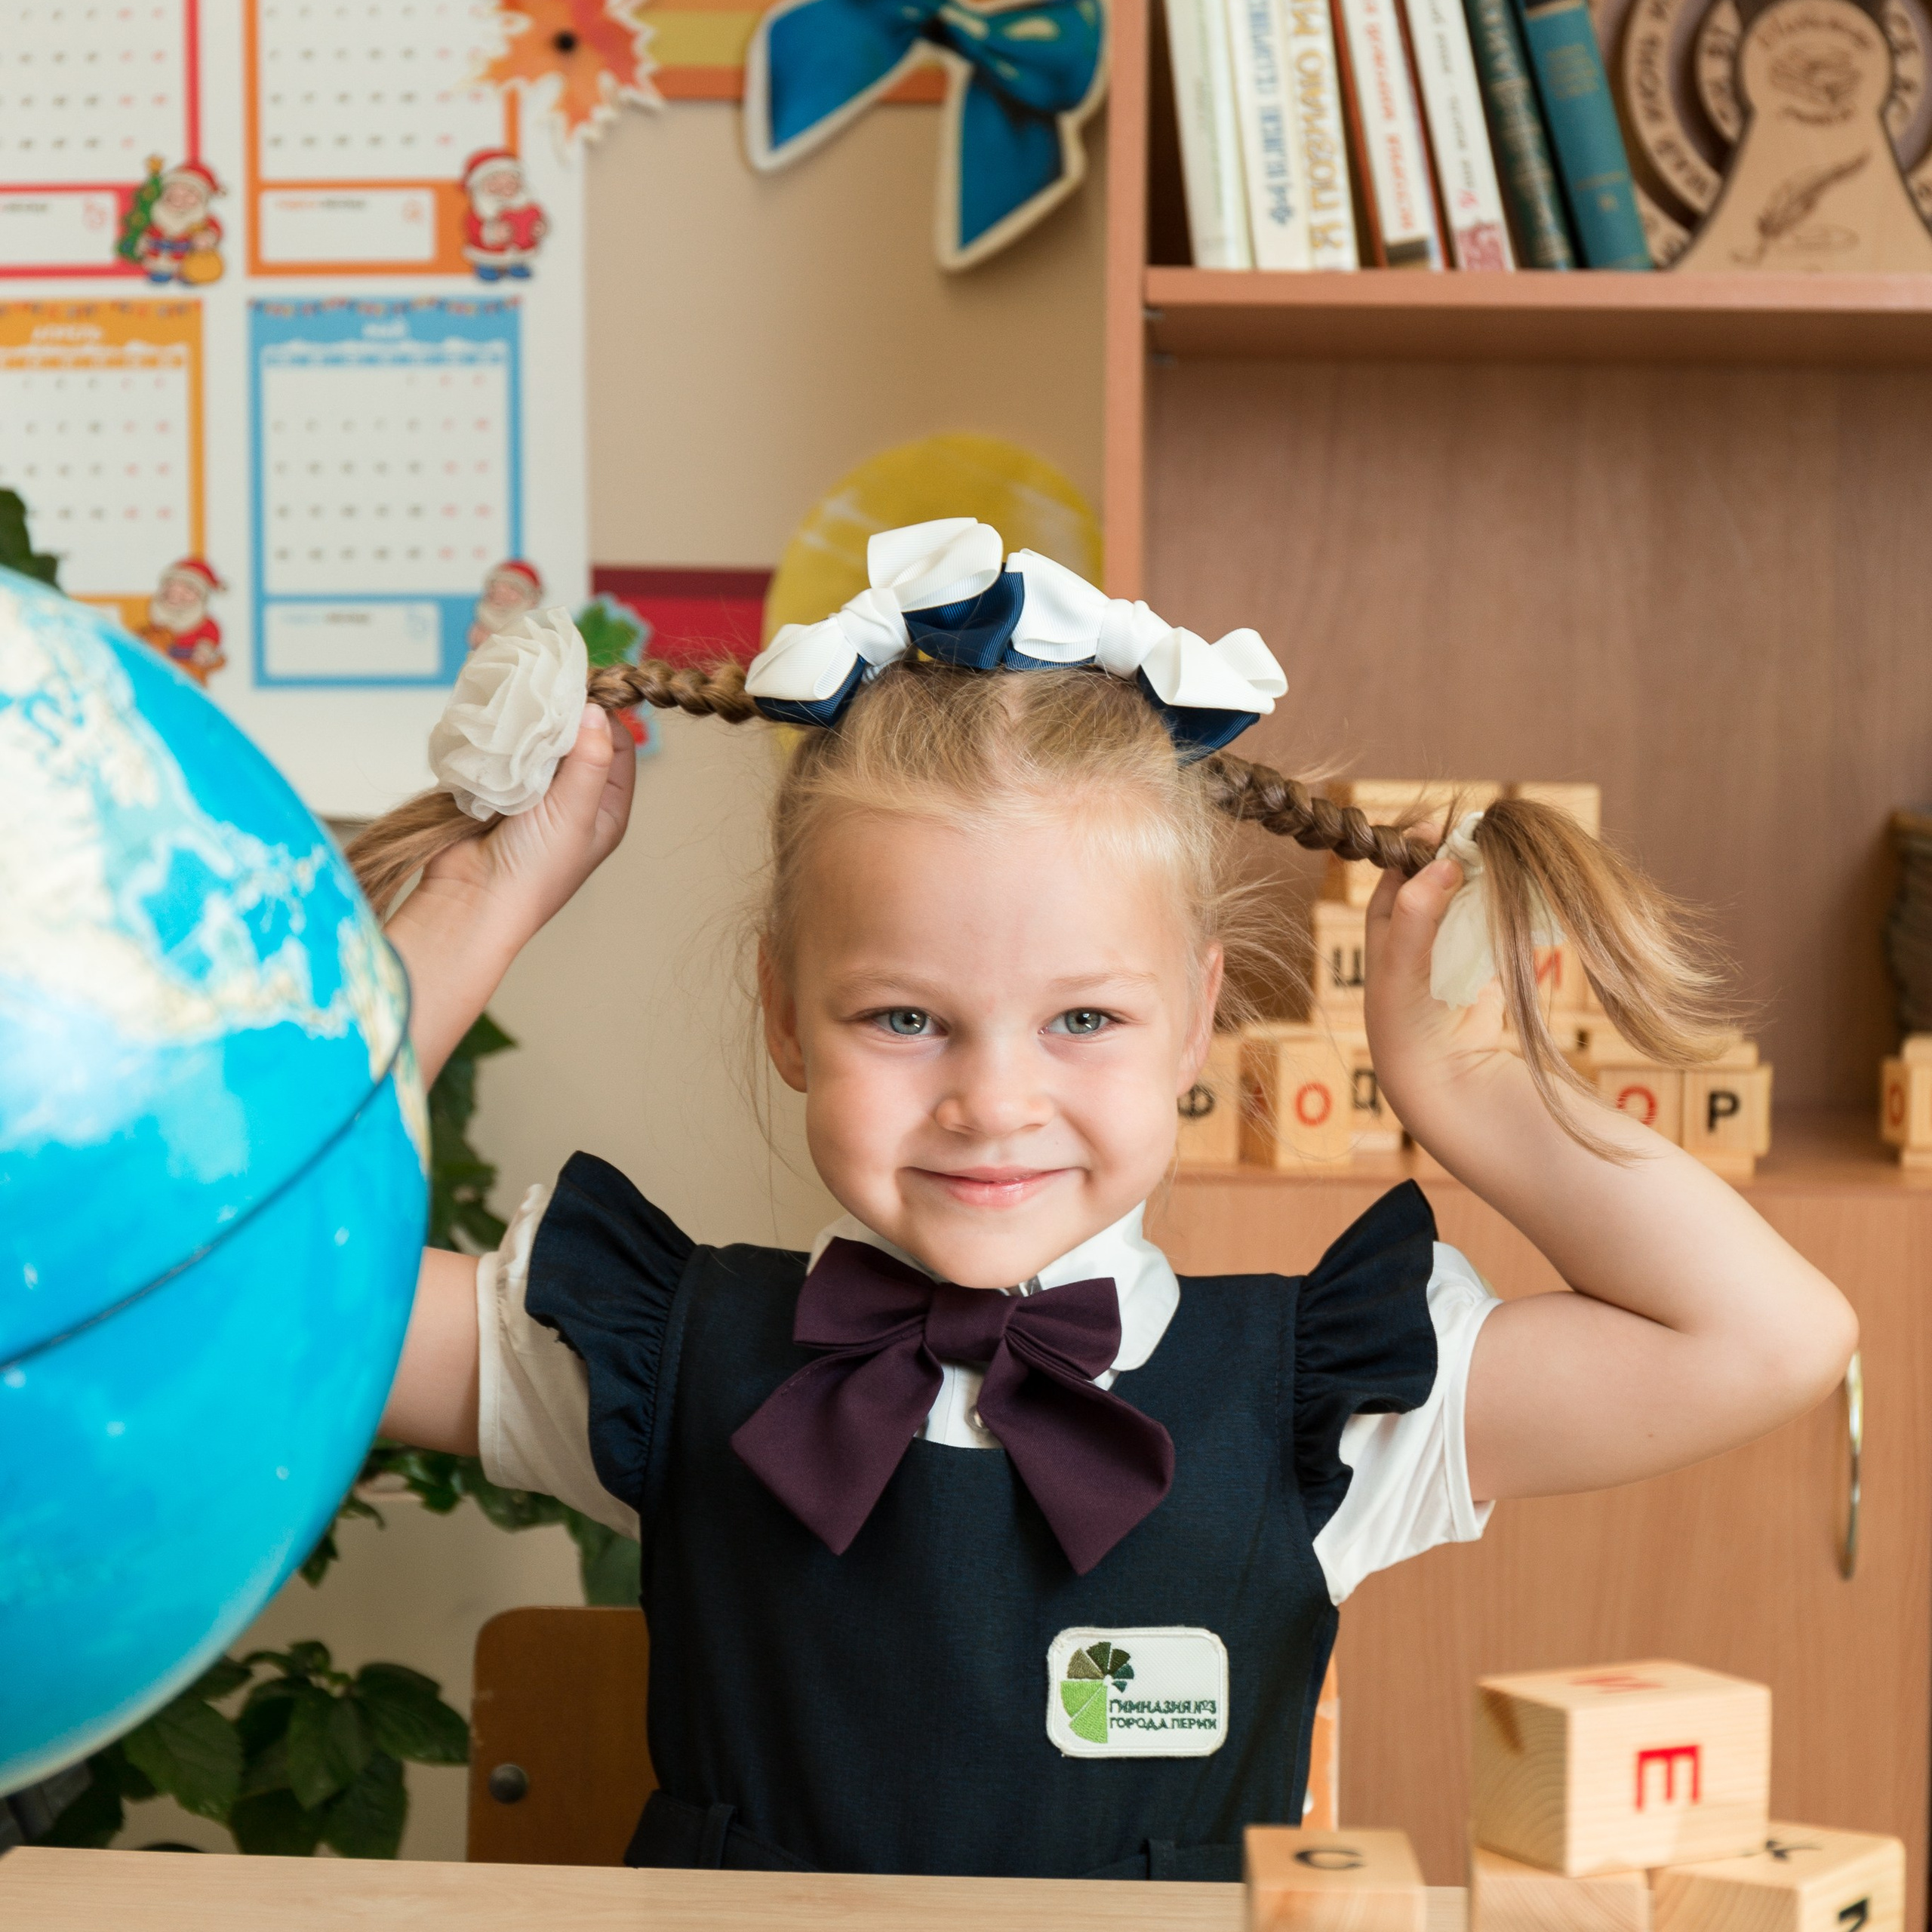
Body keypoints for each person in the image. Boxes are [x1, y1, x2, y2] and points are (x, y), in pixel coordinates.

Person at [349, 521, 1855, 1881]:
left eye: (1082, 1020)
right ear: (783, 1011)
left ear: (1197, 1019)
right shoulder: (660, 1351)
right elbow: (239, 1276)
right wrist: (486, 905)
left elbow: (1767, 1333)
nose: (993, 1099)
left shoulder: (1318, 1404)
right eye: (902, 1018)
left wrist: (1457, 1091)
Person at [460, 149, 548, 281]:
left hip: (520, 250)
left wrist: (540, 228)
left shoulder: (527, 207)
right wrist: (492, 233)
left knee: (519, 261)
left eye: (511, 182)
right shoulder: (481, 211)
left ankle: (517, 266)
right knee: (488, 262)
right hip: (489, 252)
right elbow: (473, 227)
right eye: (495, 184)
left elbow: (538, 219)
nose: (505, 188)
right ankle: (487, 267)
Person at [140, 556, 226, 685]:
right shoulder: (153, 624)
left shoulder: (205, 625)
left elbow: (210, 647)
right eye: (172, 586)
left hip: (190, 677)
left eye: (188, 589)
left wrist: (204, 653)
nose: (177, 593)